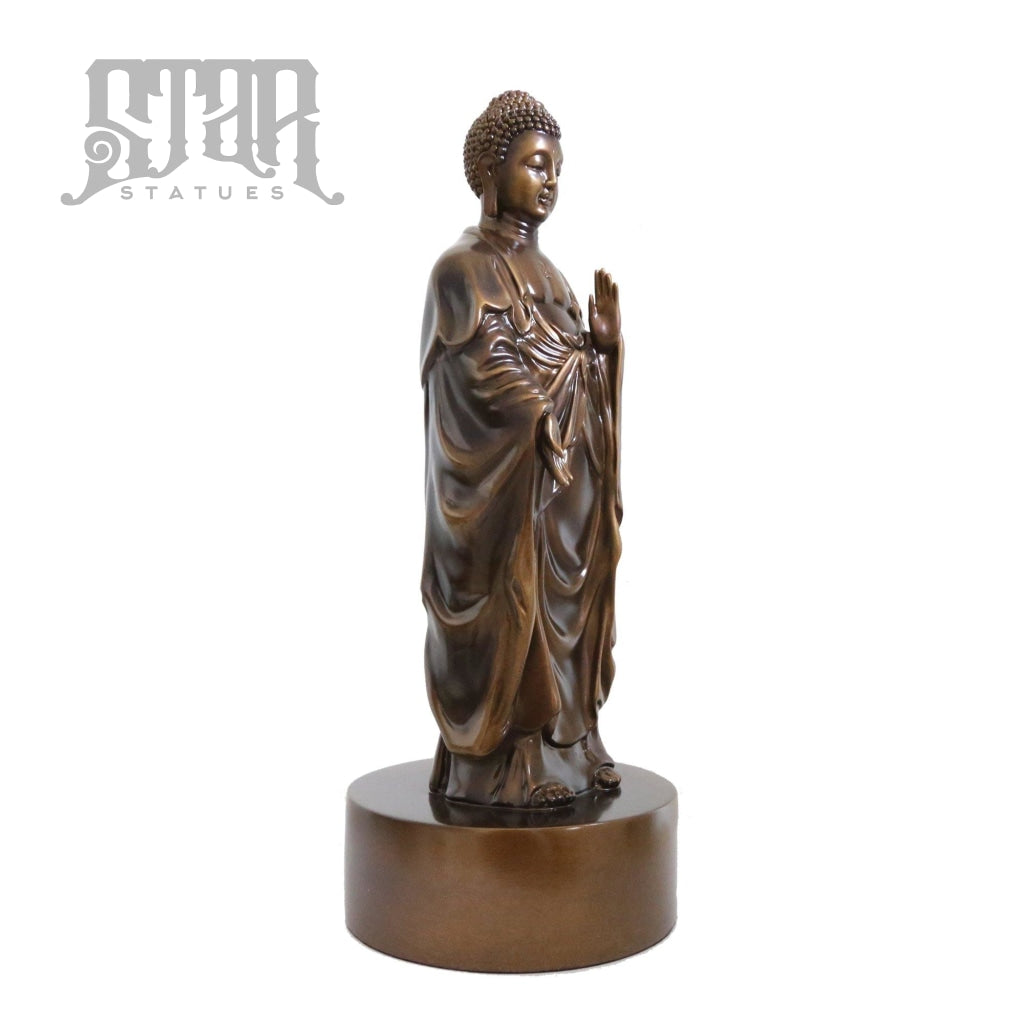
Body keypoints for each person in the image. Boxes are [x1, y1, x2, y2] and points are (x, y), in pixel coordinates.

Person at [421, 91, 625, 807]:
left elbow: (569, 363)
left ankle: (575, 738)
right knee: (518, 604)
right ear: (490, 170)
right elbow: (483, 364)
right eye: (536, 165)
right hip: (509, 486)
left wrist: (604, 351)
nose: (550, 181)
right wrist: (536, 413)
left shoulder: (553, 276)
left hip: (569, 481)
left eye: (557, 170)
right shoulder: (462, 270)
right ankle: (513, 757)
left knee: (577, 600)